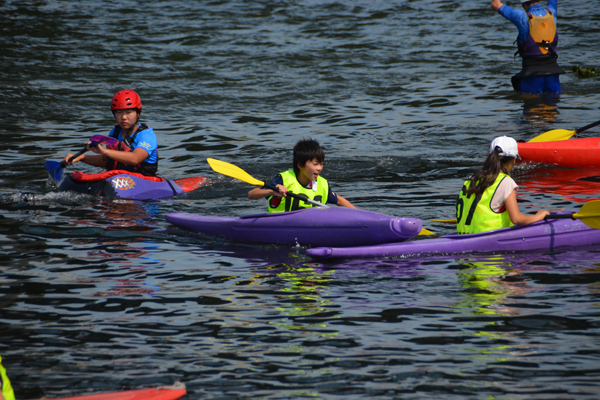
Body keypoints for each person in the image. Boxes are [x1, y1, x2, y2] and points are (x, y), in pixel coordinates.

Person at [456, 136, 549, 234]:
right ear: (514, 160)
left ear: (489, 156)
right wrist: (538, 216)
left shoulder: (471, 178)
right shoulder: (506, 182)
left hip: (462, 237)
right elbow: (516, 219)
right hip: (487, 241)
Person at [64, 89, 159, 176]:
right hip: (121, 181)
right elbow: (109, 161)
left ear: (138, 113)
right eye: (119, 112)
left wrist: (104, 151)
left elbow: (135, 158)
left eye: (128, 112)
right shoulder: (115, 132)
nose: (123, 117)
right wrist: (82, 157)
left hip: (144, 181)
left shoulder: (146, 135)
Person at [248, 139, 356, 212]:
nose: (319, 168)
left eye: (321, 164)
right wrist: (271, 191)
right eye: (315, 164)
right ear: (300, 165)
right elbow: (251, 194)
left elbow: (339, 200)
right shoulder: (284, 179)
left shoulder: (322, 184)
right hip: (280, 226)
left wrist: (363, 216)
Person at [491, 0, 565, 94]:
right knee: (552, 106)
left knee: (532, 105)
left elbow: (495, 4)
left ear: (523, 4)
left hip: (532, 75)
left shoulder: (522, 17)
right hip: (553, 74)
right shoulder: (552, 12)